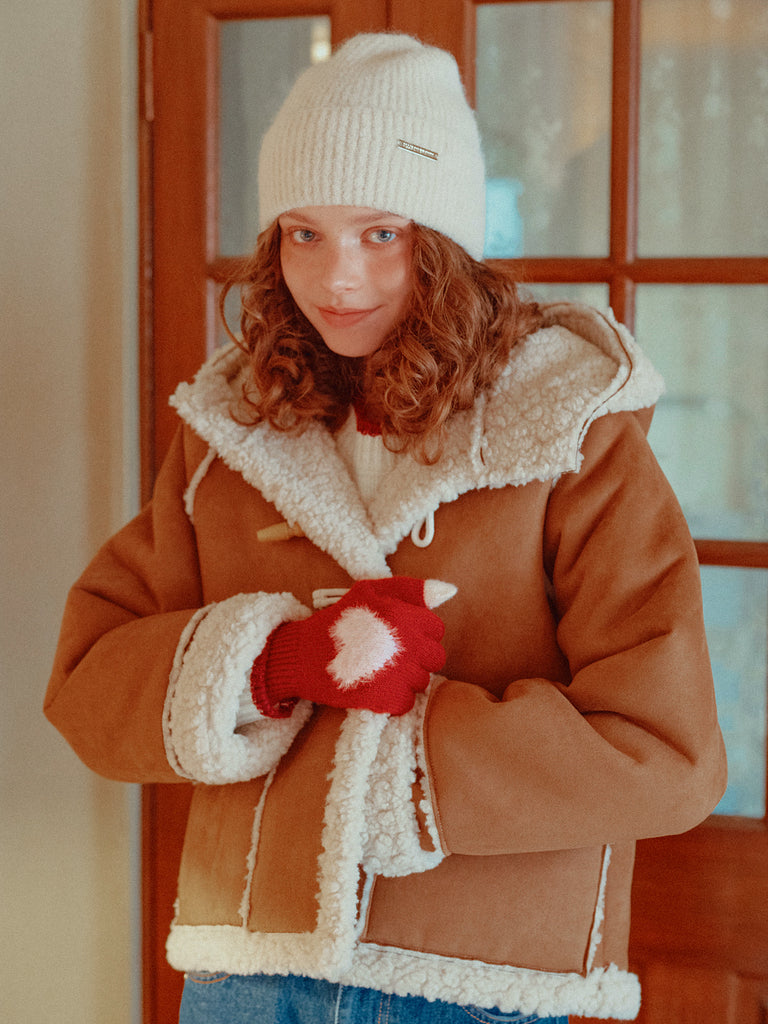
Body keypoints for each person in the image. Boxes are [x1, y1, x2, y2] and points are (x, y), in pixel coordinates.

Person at [45, 32, 726, 1024]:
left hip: (480, 983)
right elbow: (88, 681)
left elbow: (668, 752)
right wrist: (276, 662)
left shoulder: (570, 431)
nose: (338, 278)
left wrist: (401, 772)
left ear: (442, 241)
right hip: (249, 975)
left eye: (380, 233)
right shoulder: (234, 431)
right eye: (303, 234)